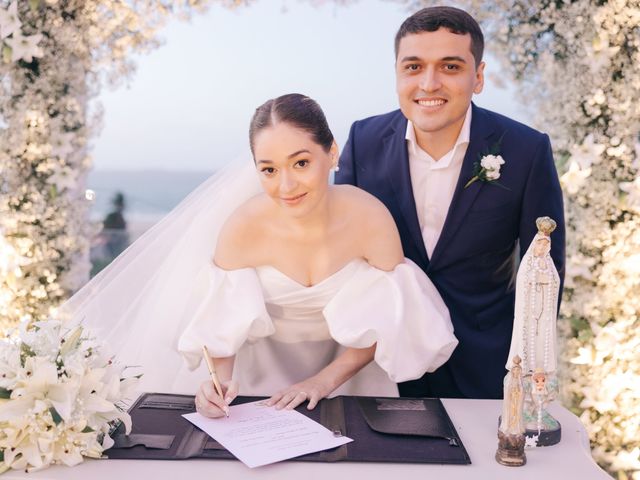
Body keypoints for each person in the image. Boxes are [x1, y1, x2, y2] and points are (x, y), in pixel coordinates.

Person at [63, 94, 457, 418]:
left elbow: (392, 317)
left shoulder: (370, 219)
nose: (285, 185)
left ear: (331, 153)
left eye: (301, 163)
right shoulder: (242, 228)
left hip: (350, 383)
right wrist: (218, 383)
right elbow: (222, 319)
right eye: (268, 170)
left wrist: (323, 382)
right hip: (260, 391)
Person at [335, 6, 565, 399]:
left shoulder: (527, 150)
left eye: (450, 67)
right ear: (397, 73)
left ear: (478, 78)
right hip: (379, 365)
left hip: (483, 368)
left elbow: (544, 272)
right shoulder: (363, 141)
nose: (429, 83)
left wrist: (526, 373)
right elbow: (339, 254)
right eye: (413, 67)